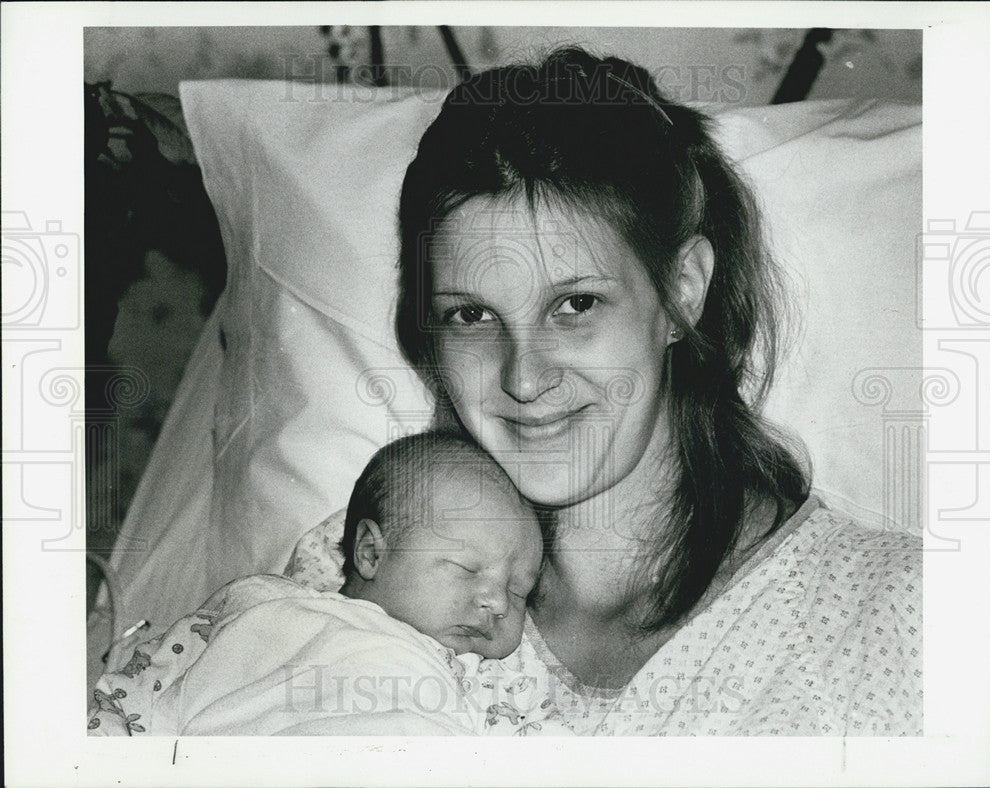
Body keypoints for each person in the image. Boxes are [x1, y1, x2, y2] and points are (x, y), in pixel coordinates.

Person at [382, 46, 921, 735]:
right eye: (472, 316)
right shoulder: (372, 583)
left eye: (575, 304)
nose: (523, 376)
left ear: (681, 291)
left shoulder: (902, 617)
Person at [88, 432, 564, 736]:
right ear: (372, 553)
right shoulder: (262, 604)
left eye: (520, 591)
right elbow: (137, 691)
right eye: (466, 568)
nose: (499, 602)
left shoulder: (489, 680)